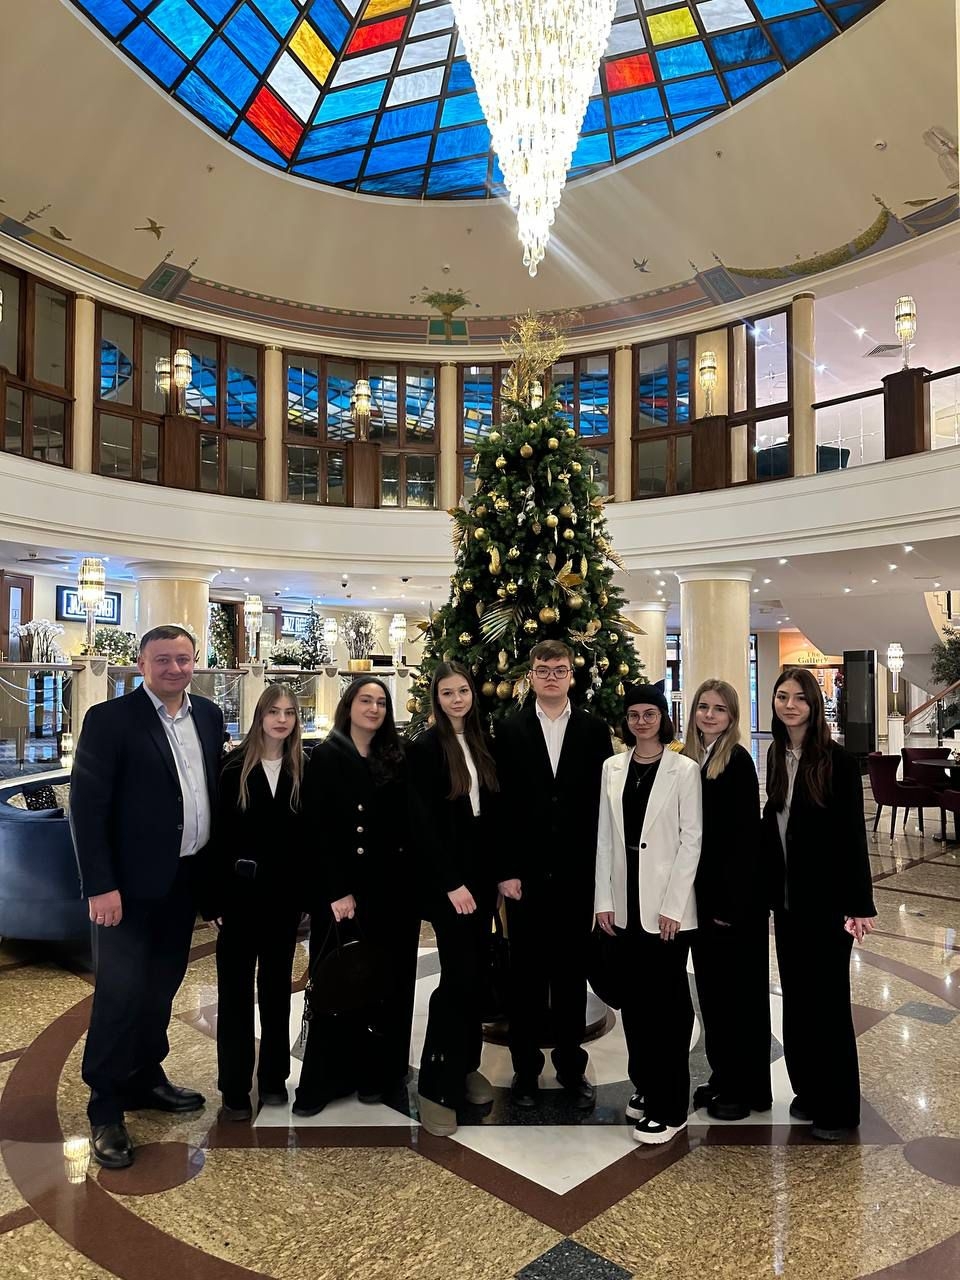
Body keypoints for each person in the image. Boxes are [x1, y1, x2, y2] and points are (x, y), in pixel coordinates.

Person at [70, 624, 224, 1169]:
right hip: (127, 889)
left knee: (161, 987)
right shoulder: (110, 720)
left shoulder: (208, 716)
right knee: (120, 995)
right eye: (163, 660)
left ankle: (144, 1076)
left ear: (195, 661)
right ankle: (106, 1106)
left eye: (183, 659)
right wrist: (100, 886)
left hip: (184, 880)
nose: (175, 669)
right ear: (141, 665)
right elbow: (87, 807)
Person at [293, 678, 420, 1116]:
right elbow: (317, 830)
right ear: (349, 705)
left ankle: (378, 1074)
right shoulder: (328, 755)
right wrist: (336, 890)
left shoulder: (396, 755)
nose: (374, 708)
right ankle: (329, 1079)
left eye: (381, 702)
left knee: (386, 985)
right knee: (340, 983)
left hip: (392, 890)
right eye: (366, 700)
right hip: (345, 893)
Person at [495, 640, 613, 1111]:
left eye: (559, 669)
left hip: (576, 875)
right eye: (542, 669)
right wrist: (505, 870)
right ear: (530, 675)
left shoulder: (594, 729)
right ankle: (525, 1071)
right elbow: (500, 804)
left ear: (571, 675)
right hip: (523, 878)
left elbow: (602, 807)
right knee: (525, 979)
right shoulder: (508, 729)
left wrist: (600, 875)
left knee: (569, 977)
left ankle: (570, 1068)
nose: (551, 677)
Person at [762, 667, 877, 1141]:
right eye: (782, 696)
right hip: (788, 904)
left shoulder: (838, 761)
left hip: (826, 903)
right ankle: (809, 1090)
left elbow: (852, 835)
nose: (789, 705)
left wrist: (860, 903)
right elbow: (775, 825)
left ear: (813, 705)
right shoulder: (775, 754)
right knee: (798, 1000)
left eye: (799, 698)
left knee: (827, 1004)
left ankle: (839, 1108)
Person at [596, 684, 702, 1145]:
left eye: (650, 714)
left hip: (665, 911)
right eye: (634, 715)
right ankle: (645, 1084)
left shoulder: (684, 770)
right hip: (624, 906)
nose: (641, 722)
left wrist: (674, 906)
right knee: (635, 1004)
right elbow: (604, 838)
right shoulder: (613, 768)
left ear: (663, 718)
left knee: (667, 1007)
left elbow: (691, 841)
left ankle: (671, 1105)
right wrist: (603, 899)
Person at [408, 662, 499, 1137]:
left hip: (482, 881)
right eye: (447, 693)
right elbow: (422, 825)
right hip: (451, 886)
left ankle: (466, 1065)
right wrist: (450, 883)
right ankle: (436, 1085)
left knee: (476, 977)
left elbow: (494, 816)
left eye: (463, 690)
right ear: (437, 699)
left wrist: (498, 877)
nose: (457, 699)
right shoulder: (425, 748)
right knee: (457, 980)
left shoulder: (483, 742)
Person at [210, 683, 305, 1121]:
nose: (281, 720)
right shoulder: (232, 768)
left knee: (276, 992)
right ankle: (233, 1086)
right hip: (238, 897)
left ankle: (272, 1078)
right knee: (234, 995)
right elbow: (215, 838)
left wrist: (305, 895)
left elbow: (310, 840)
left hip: (283, 899)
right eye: (273, 712)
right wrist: (213, 900)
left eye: (289, 712)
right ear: (260, 716)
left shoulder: (303, 768)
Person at [683, 679, 771, 1121]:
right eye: (704, 707)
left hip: (733, 904)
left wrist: (729, 906)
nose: (710, 715)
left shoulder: (735, 761)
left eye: (719, 709)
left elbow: (743, 840)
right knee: (714, 997)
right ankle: (723, 1077)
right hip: (706, 899)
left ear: (733, 717)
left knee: (738, 999)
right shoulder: (694, 758)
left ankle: (743, 1088)